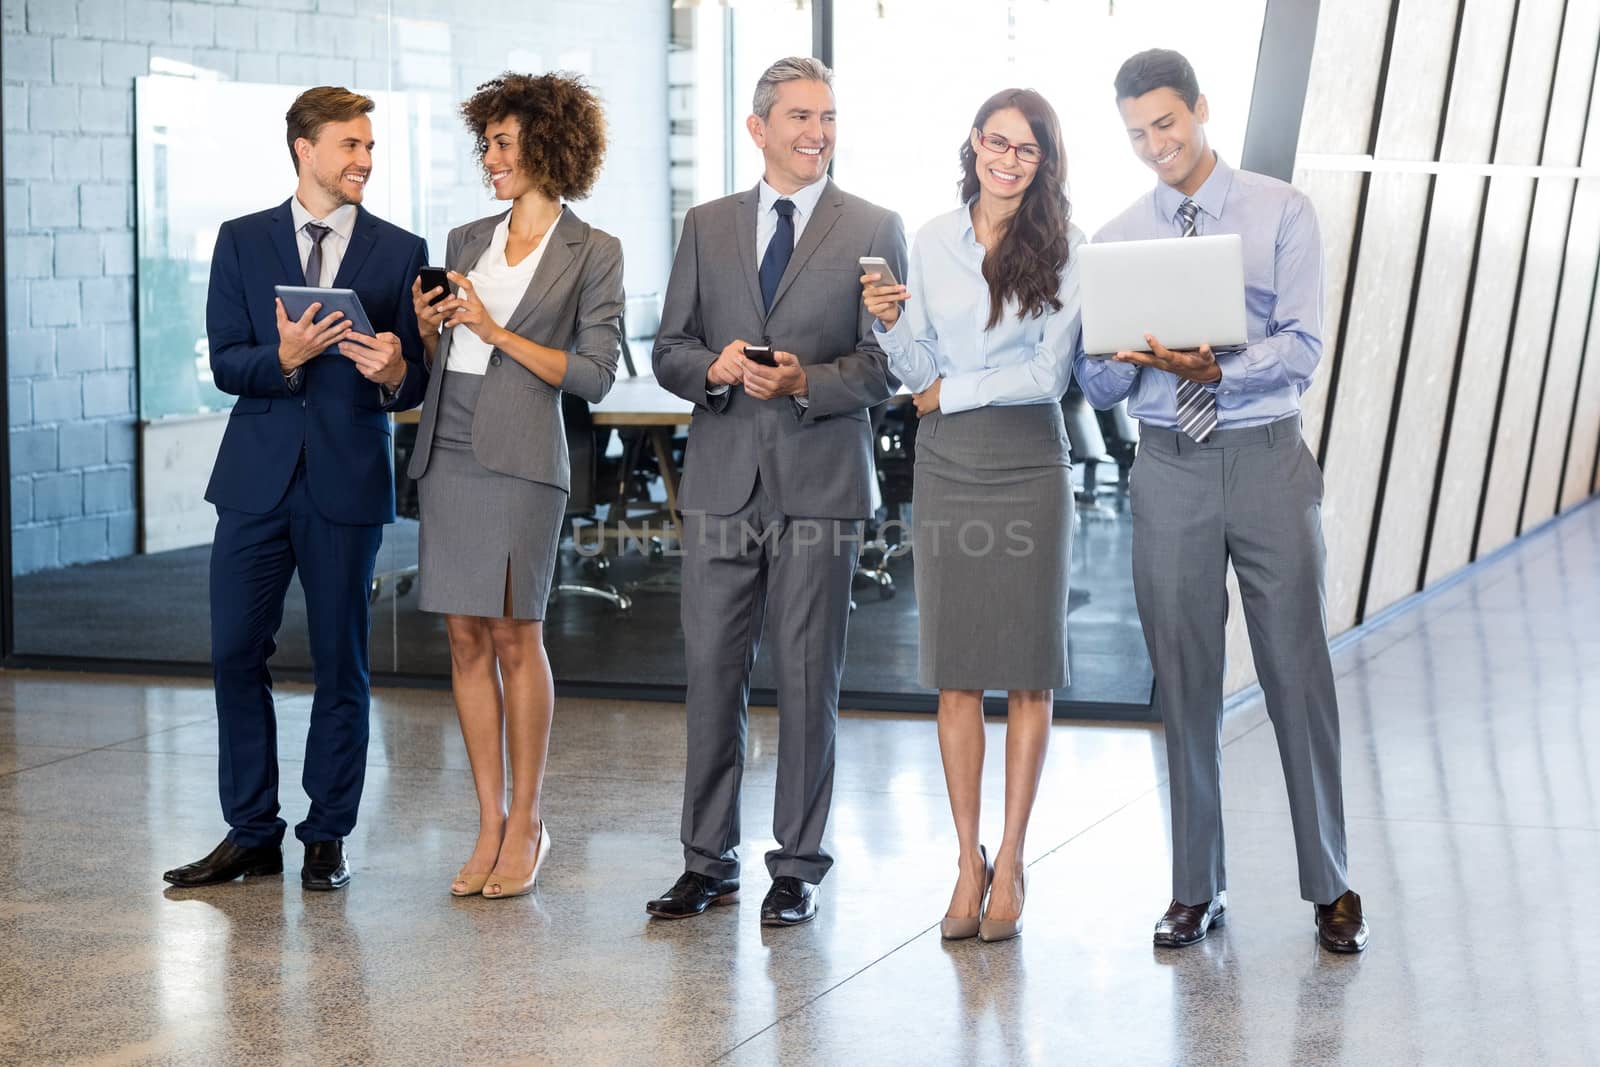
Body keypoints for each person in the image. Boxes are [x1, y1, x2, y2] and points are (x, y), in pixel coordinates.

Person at [1072, 49, 1368, 953]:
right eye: (1136, 134)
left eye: (1166, 123)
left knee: (1296, 673)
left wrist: (1221, 369)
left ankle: (1331, 883)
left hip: (1267, 459)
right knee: (1187, 677)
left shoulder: (1282, 210)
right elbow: (1093, 382)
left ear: (1200, 107)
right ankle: (1195, 887)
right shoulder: (1118, 236)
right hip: (1168, 467)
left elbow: (1304, 345)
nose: (1155, 146)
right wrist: (1112, 362)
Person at [647, 56, 907, 927]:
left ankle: (796, 864)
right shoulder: (708, 223)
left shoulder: (874, 225)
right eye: (799, 116)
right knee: (712, 675)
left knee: (806, 680)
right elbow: (669, 347)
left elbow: (886, 365)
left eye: (828, 117)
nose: (817, 133)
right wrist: (712, 368)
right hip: (723, 480)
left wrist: (806, 380)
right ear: (758, 128)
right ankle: (706, 859)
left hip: (822, 482)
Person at [164, 87, 428, 891]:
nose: (364, 160)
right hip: (255, 479)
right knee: (235, 652)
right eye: (350, 145)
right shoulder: (241, 241)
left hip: (347, 478)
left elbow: (412, 372)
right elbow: (225, 364)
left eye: (370, 147)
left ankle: (326, 834)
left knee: (342, 660)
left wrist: (393, 373)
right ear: (303, 150)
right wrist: (282, 358)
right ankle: (250, 831)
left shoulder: (399, 248)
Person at [862, 89, 1082, 943]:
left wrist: (950, 390)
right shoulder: (930, 238)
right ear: (974, 144)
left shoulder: (1069, 248)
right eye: (998, 142)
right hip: (948, 466)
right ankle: (967, 857)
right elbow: (915, 369)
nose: (1008, 159)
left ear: (1043, 163)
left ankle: (1016, 857)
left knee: (1028, 669)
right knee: (955, 671)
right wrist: (889, 328)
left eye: (1027, 149)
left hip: (1029, 460)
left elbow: (1050, 375)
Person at [406, 73, 623, 900]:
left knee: (512, 635)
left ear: (548, 146)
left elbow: (594, 374)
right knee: (463, 636)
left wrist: (495, 331)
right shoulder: (466, 238)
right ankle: (489, 820)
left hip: (525, 455)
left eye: (503, 142)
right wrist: (433, 334)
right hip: (449, 439)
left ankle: (528, 821)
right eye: (487, 142)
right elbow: (446, 358)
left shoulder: (593, 250)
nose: (490, 157)